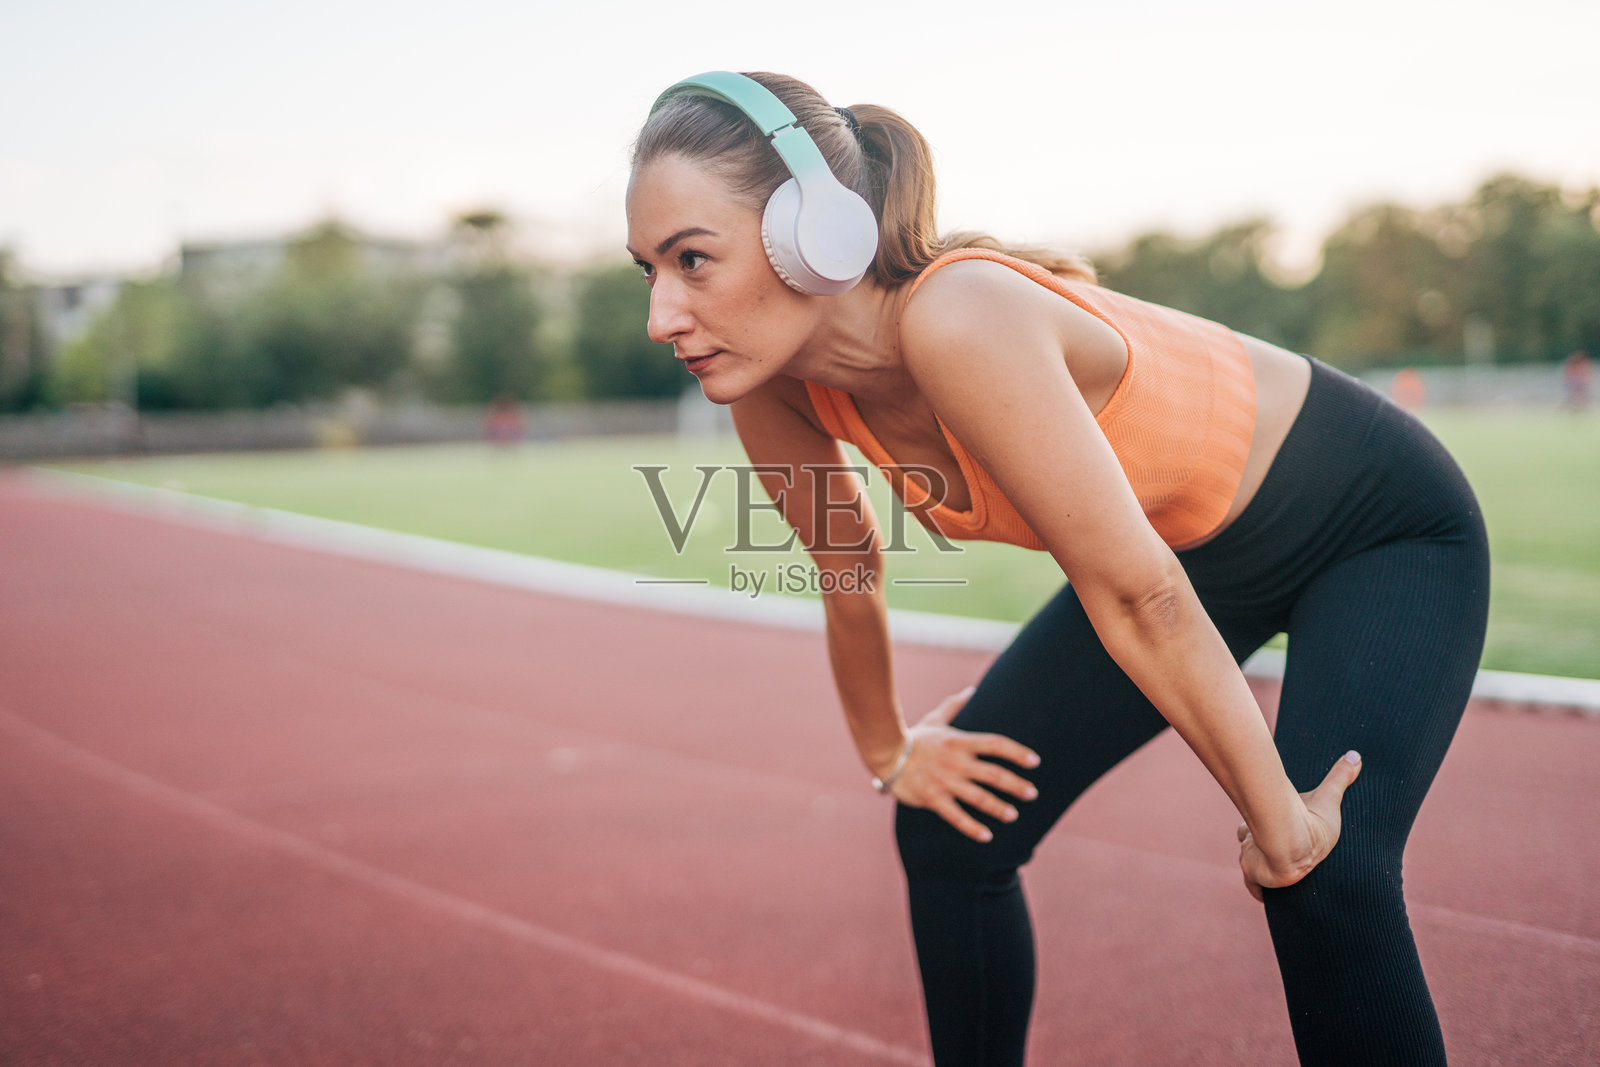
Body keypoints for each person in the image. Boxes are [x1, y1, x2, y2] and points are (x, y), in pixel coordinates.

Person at [626, 71, 1490, 1066]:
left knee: (1326, 876)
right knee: (950, 829)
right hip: (1185, 557)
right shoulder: (770, 387)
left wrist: (1279, 826)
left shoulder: (959, 315)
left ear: (814, 231)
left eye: (693, 259)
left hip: (1371, 524)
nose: (663, 315)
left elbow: (1139, 593)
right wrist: (889, 751)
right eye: (647, 270)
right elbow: (846, 563)